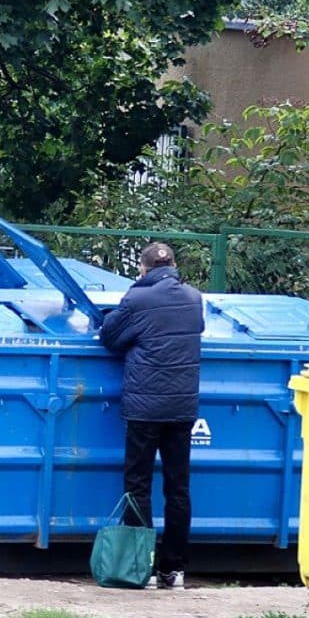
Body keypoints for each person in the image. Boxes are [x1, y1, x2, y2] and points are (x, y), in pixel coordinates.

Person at [100, 241, 205, 590]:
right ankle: (172, 570)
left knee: (138, 485)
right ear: (174, 265)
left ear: (143, 269)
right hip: (181, 410)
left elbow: (110, 338)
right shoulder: (194, 298)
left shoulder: (137, 298)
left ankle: (138, 565)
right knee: (179, 489)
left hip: (144, 410)